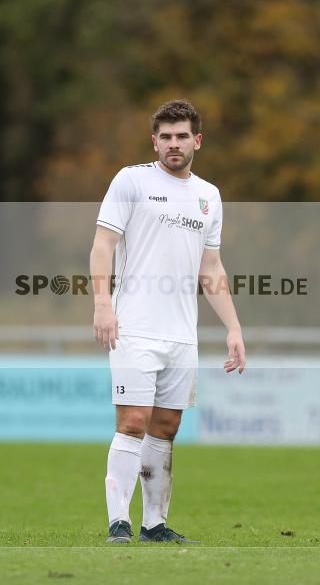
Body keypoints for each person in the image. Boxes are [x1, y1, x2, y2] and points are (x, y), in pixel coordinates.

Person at [91, 99, 246, 545]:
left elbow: (211, 268)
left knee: (166, 428)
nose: (173, 144)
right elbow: (102, 245)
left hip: (181, 334)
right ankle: (118, 523)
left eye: (181, 136)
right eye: (166, 137)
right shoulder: (131, 181)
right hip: (133, 327)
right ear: (154, 142)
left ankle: (154, 525)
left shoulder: (209, 196)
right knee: (132, 421)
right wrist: (102, 304)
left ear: (197, 141)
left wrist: (234, 328)